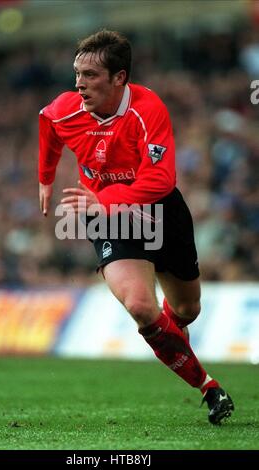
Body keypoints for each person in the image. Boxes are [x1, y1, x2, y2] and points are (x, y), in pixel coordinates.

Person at [38, 29, 234, 424]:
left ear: (119, 78)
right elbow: (47, 125)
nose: (79, 83)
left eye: (91, 75)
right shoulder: (66, 108)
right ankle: (210, 388)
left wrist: (104, 199)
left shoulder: (148, 109)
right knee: (141, 307)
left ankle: (170, 334)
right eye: (77, 73)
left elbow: (160, 179)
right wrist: (45, 177)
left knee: (187, 310)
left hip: (159, 210)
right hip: (110, 219)